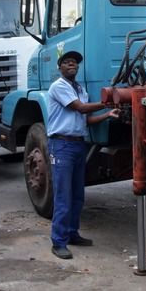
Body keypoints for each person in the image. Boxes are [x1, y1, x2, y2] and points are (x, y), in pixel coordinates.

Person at [47, 50, 120, 260]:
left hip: (79, 144)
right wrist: (108, 102)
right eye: (67, 62)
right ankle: (58, 242)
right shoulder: (59, 86)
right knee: (63, 195)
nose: (72, 65)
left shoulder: (80, 89)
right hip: (61, 145)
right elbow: (80, 109)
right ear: (60, 68)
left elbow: (85, 120)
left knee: (78, 195)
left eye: (75, 63)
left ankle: (72, 234)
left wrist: (107, 114)